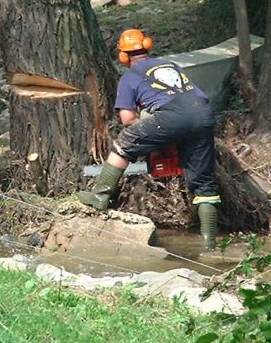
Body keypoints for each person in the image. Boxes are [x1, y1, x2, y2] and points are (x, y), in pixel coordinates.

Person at [77, 28, 222, 247]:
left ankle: (100, 195)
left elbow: (127, 119)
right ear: (148, 46)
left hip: (171, 116)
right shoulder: (171, 65)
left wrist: (150, 127)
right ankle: (209, 244)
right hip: (203, 114)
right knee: (204, 185)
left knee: (124, 143)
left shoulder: (130, 77)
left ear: (123, 56)